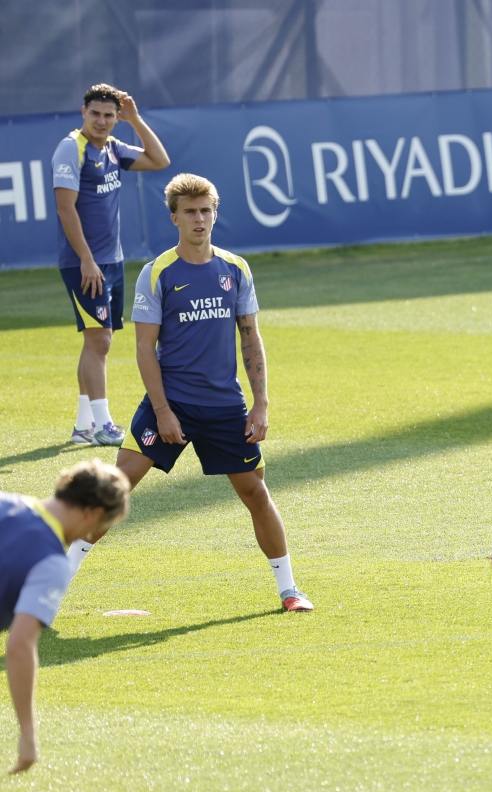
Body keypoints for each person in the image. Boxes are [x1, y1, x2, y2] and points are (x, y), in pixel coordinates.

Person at [67, 173, 313, 613]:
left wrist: (260, 404)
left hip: (224, 406)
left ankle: (290, 590)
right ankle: (50, 586)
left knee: (255, 492)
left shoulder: (235, 269)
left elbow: (250, 338)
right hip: (171, 402)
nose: (200, 219)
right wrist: (162, 411)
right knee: (113, 489)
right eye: (190, 212)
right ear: (174, 218)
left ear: (215, 214)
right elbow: (145, 348)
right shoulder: (158, 273)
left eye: (206, 211)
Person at [52, 83, 170, 446]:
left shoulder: (114, 148)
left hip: (111, 260)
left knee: (96, 341)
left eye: (109, 115)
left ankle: (84, 426)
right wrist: (87, 260)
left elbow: (160, 160)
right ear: (83, 113)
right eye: (96, 114)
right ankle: (103, 425)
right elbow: (65, 208)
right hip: (85, 263)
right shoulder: (72, 148)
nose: (102, 121)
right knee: (100, 340)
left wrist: (135, 119)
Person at [2, 459, 131, 773]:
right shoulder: (52, 563)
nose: (89, 534)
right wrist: (28, 734)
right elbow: (19, 647)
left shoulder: (5, 501)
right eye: (98, 528)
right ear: (94, 513)